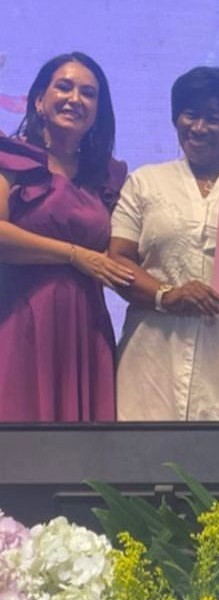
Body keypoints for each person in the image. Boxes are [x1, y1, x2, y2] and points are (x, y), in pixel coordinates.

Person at [109, 66, 219, 420]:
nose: (198, 127)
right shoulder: (145, 182)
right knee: (145, 452)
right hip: (152, 358)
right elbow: (117, 260)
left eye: (214, 119)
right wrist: (166, 294)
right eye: (190, 114)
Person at [0, 52, 133, 422]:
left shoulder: (107, 176)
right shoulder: (10, 158)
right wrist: (74, 254)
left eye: (88, 93)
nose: (75, 99)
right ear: (39, 101)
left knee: (84, 443)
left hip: (86, 323)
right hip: (20, 317)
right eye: (64, 87)